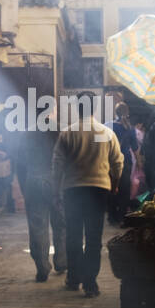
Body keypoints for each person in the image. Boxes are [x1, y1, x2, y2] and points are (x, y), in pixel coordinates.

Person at [53, 98, 123, 297]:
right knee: (93, 238)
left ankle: (73, 279)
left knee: (74, 236)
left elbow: (57, 164)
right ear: (95, 109)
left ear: (77, 109)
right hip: (98, 190)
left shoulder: (68, 133)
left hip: (73, 190)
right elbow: (118, 163)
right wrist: (115, 185)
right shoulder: (106, 133)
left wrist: (56, 190)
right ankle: (90, 284)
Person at [16, 115, 67, 282]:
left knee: (38, 226)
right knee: (61, 224)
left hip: (34, 180)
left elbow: (20, 164)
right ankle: (61, 261)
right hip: (56, 181)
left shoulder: (26, 133)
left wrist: (25, 188)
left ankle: (42, 267)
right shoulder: (60, 130)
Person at [109, 100, 138, 223]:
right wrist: (140, 162)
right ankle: (122, 216)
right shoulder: (130, 128)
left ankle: (112, 216)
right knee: (124, 188)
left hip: (110, 161)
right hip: (125, 161)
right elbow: (135, 148)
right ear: (127, 113)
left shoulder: (109, 126)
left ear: (115, 112)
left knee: (112, 188)